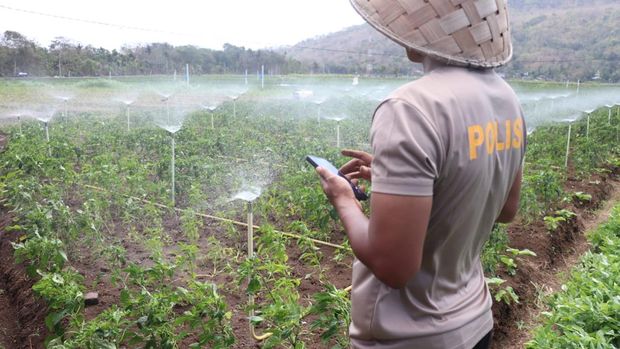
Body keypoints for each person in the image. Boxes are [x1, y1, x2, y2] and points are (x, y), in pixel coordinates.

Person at [313, 1, 526, 348]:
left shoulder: (410, 108)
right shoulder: (507, 98)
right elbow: (506, 209)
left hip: (411, 336)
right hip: (475, 320)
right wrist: (398, 181)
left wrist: (343, 198)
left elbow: (392, 266)